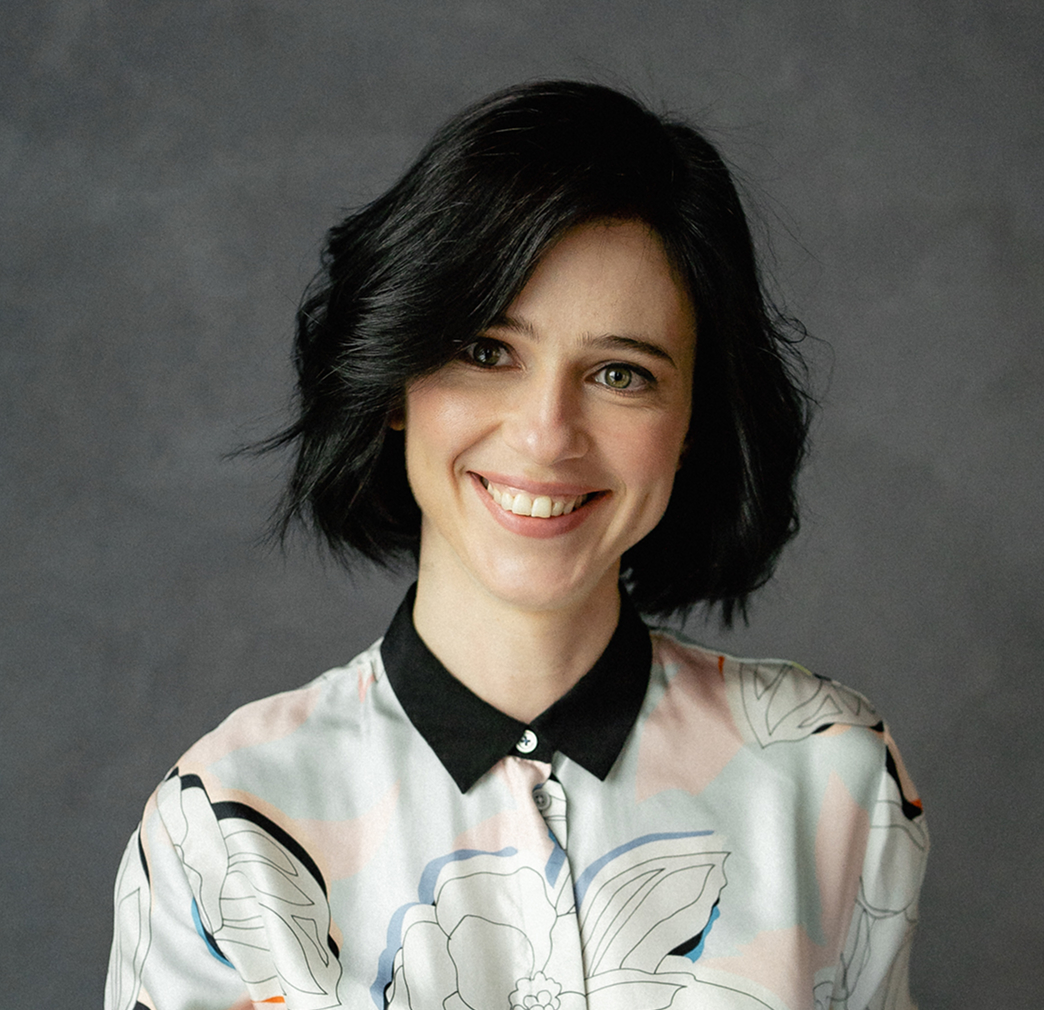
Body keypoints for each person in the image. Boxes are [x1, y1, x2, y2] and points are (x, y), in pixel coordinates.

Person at [105, 81, 928, 1010]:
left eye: (620, 373)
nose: (546, 435)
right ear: (395, 379)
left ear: (695, 422)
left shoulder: (831, 775)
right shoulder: (225, 827)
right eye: (488, 352)